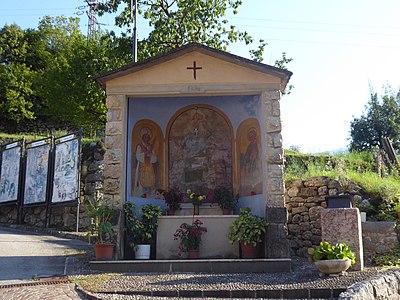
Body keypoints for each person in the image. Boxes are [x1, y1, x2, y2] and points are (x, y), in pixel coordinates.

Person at [134, 127, 158, 196]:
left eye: (148, 137)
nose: (146, 139)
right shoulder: (140, 146)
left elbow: (155, 158)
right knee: (142, 182)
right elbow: (137, 156)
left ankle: (150, 195)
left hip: (150, 167)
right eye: (145, 137)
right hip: (142, 166)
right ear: (142, 137)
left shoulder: (150, 147)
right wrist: (145, 154)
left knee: (151, 181)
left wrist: (151, 154)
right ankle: (141, 195)